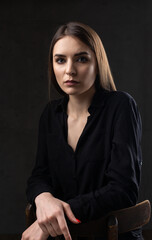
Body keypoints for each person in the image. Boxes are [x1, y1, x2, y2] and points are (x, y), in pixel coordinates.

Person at [21, 22, 143, 240]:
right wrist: (43, 198)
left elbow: (123, 190)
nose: (70, 70)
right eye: (60, 60)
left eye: (81, 59)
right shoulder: (50, 115)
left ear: (98, 63)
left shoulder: (121, 106)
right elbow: (39, 176)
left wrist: (57, 215)